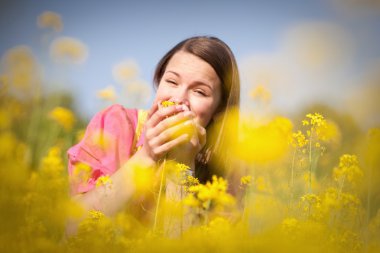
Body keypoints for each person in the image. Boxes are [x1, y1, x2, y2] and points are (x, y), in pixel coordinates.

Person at [66, 36, 240, 230]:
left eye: (199, 92)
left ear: (219, 110)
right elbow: (74, 229)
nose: (178, 99)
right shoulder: (118, 124)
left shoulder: (228, 167)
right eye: (172, 81)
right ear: (159, 81)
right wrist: (147, 155)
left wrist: (182, 167)